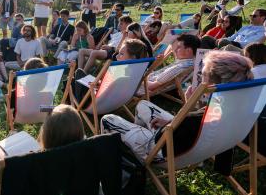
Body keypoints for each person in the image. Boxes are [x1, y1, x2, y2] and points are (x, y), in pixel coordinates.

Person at [101, 50, 254, 163]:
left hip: (163, 153)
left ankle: (132, 158)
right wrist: (174, 121)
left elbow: (186, 127)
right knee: (143, 105)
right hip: (196, 147)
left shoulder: (196, 120)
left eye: (203, 75)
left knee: (108, 119)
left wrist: (188, 106)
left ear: (213, 84)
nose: (200, 78)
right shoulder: (237, 110)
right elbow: (195, 126)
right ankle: (136, 144)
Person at [0, 104, 84, 178]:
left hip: (23, 189)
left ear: (47, 136)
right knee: (18, 136)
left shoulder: (34, 163)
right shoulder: (87, 157)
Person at [73, 39, 150, 103]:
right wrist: (99, 84)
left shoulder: (119, 71)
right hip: (116, 104)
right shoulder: (139, 72)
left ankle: (74, 97)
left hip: (94, 102)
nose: (116, 56)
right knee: (79, 79)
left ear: (133, 58)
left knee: (79, 73)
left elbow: (104, 90)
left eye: (121, 54)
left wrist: (95, 85)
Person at [136, 34, 201, 96]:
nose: (175, 50)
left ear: (188, 51)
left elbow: (151, 87)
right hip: (148, 79)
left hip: (140, 87)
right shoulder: (193, 63)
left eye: (179, 47)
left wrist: (139, 77)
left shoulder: (178, 68)